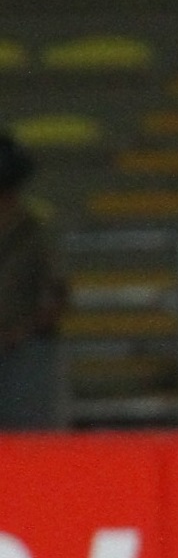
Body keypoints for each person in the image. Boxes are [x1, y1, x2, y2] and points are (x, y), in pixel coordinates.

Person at [0, 134, 66, 429]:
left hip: (23, 352)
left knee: (27, 436)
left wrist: (19, 333)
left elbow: (55, 296)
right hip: (20, 346)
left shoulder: (34, 235)